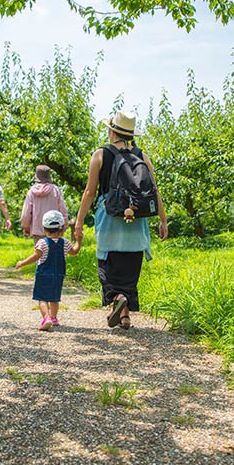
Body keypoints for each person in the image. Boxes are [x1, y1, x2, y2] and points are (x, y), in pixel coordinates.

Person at [74, 111, 168, 330]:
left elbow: (89, 192)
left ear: (112, 130)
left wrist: (79, 221)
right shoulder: (142, 156)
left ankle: (117, 298)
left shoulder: (100, 155)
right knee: (130, 264)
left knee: (107, 261)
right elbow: (154, 191)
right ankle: (125, 316)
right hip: (136, 217)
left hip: (110, 214)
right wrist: (163, 220)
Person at [15, 210, 83, 331]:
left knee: (42, 298)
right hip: (59, 275)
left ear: (44, 229)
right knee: (54, 298)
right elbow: (74, 252)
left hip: (43, 275)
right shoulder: (65, 243)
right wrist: (79, 241)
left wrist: (22, 263)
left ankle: (46, 318)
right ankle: (54, 317)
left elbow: (36, 256)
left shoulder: (42, 243)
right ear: (62, 230)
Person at [20, 165, 69, 241]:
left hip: (37, 229)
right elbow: (62, 209)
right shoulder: (55, 190)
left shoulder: (31, 192)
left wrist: (25, 226)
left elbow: (26, 212)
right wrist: (64, 225)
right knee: (54, 251)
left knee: (40, 251)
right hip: (54, 228)